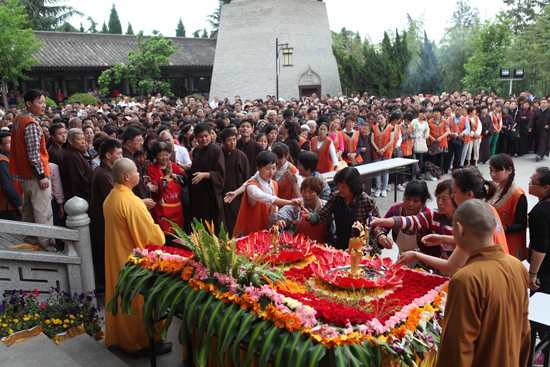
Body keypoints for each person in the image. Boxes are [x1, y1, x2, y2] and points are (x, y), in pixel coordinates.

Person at [435, 199, 530, 367]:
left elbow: (457, 348)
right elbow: (524, 331)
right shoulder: (518, 267)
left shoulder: (466, 279)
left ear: (460, 229)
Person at [103, 158, 171, 355]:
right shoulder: (132, 202)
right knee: (136, 301)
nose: (139, 176)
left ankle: (122, 339)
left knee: (121, 297)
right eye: (136, 172)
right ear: (127, 177)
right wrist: (158, 229)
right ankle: (140, 344)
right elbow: (153, 238)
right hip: (133, 263)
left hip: (117, 259)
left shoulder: (112, 197)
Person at [398, 167, 509, 274]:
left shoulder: (471, 219)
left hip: (488, 276)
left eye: (454, 193)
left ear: (469, 194)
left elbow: (450, 266)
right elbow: (474, 240)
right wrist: (442, 239)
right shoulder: (488, 209)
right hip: (501, 269)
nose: (452, 196)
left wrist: (416, 255)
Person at [9, 90, 56, 252]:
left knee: (29, 212)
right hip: (36, 175)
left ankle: (30, 242)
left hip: (24, 175)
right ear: (29, 104)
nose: (44, 105)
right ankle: (47, 248)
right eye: (39, 102)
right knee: (43, 213)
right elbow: (34, 155)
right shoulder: (31, 125)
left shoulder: (18, 119)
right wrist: (42, 175)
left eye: (44, 102)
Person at [300, 167, 382, 250]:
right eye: (339, 185)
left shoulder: (366, 201)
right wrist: (310, 216)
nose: (340, 189)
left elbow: (379, 225)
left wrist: (380, 238)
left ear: (353, 186)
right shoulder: (335, 197)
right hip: (340, 245)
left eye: (344, 186)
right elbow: (322, 215)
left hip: (360, 248)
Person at [233, 151, 302, 237]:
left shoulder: (274, 184)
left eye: (274, 168)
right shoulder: (251, 186)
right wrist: (290, 202)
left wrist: (278, 219)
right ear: (258, 168)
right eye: (268, 168)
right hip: (250, 233)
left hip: (265, 231)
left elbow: (273, 207)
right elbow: (266, 198)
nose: (271, 172)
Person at [371, 180, 438, 268]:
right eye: (407, 199)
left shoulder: (429, 217)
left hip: (423, 265)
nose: (410, 204)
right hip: (401, 262)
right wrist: (382, 238)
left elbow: (436, 250)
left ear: (424, 201)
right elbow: (380, 227)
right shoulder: (396, 210)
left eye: (415, 201)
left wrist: (418, 256)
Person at [89, 139, 123, 294]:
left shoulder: (106, 171)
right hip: (104, 222)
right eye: (119, 153)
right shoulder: (103, 174)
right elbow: (115, 198)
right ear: (108, 155)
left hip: (103, 220)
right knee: (106, 252)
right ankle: (105, 287)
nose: (121, 156)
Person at [270, 176, 333, 244]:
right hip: (299, 246)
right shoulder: (297, 203)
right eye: (304, 191)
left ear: (319, 193)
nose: (306, 195)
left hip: (321, 247)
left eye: (310, 192)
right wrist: (280, 219)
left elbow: (332, 230)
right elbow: (285, 211)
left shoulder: (326, 206)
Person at [187, 123, 225, 232]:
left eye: (206, 136)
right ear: (195, 138)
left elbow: (220, 173)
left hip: (211, 193)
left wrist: (204, 175)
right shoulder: (197, 150)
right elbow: (195, 169)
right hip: (199, 193)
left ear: (211, 136)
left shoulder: (216, 150)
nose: (204, 139)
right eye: (200, 136)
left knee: (213, 225)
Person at [489, 154, 527, 260]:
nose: (493, 174)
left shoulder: (517, 195)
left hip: (510, 246)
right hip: (493, 242)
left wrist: (504, 228)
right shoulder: (492, 188)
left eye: (497, 171)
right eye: (491, 170)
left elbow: (522, 224)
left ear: (509, 171)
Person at [148, 141, 187, 241]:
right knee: (165, 238)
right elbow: (155, 188)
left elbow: (185, 180)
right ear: (155, 156)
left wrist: (173, 175)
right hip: (161, 211)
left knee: (178, 237)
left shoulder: (173, 166)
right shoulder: (152, 169)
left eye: (166, 155)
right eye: (161, 155)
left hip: (177, 209)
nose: (165, 158)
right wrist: (166, 176)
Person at [220, 128, 250, 235]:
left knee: (234, 222)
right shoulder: (218, 155)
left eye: (234, 139)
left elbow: (247, 178)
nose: (233, 143)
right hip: (220, 194)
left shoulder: (241, 156)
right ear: (222, 142)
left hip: (235, 196)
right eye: (229, 140)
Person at [527, 166, 550, 293]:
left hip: (545, 271)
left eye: (533, 182)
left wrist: (533, 274)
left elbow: (541, 245)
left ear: (546, 188)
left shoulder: (540, 213)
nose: (530, 184)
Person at [122, 127, 155, 209]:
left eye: (142, 140)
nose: (141, 143)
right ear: (129, 142)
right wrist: (147, 188)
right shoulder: (127, 160)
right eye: (139, 140)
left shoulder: (128, 156)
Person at [60, 128, 93, 203]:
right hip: (78, 198)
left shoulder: (75, 152)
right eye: (79, 139)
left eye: (83, 139)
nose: (83, 142)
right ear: (71, 141)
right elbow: (78, 180)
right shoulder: (71, 156)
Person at [371, 112, 395, 197]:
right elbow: (372, 140)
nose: (380, 120)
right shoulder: (374, 128)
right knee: (377, 170)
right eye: (378, 119)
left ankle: (384, 188)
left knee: (385, 171)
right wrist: (378, 150)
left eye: (381, 118)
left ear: (385, 118)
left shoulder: (391, 128)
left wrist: (384, 149)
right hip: (376, 151)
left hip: (387, 151)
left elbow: (391, 140)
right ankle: (378, 188)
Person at [0, 132, 22, 221]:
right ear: (0, 146)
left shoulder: (9, 159)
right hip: (9, 206)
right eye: (8, 142)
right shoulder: (3, 162)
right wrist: (19, 204)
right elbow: (7, 185)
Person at [528, 97, 550, 161]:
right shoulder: (537, 111)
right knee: (537, 141)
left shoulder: (549, 112)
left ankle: (539, 154)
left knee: (542, 142)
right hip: (537, 129)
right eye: (542, 103)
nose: (543, 104)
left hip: (545, 130)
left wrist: (548, 126)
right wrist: (530, 127)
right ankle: (540, 153)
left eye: (544, 103)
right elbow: (532, 120)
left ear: (547, 104)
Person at [412, 108, 429, 179]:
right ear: (419, 113)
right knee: (414, 159)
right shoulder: (414, 121)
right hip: (416, 141)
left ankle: (419, 174)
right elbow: (413, 130)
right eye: (422, 113)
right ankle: (413, 174)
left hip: (422, 141)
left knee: (420, 159)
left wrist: (427, 134)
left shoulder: (425, 122)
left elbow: (427, 129)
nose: (423, 115)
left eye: (425, 114)